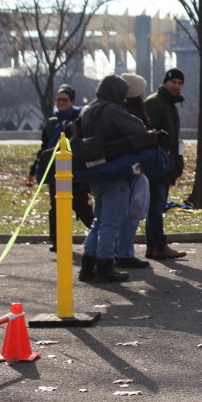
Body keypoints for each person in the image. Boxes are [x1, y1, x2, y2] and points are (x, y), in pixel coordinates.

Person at [78, 75, 149, 284]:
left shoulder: (88, 109)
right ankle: (105, 265)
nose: (124, 99)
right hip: (113, 171)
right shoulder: (112, 110)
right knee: (111, 222)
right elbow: (139, 128)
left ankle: (88, 265)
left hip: (94, 173)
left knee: (98, 221)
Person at [30, 84, 94, 253]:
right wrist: (34, 168)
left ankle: (102, 236)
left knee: (80, 205)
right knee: (56, 206)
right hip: (55, 170)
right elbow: (44, 148)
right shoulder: (52, 123)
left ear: (72, 101)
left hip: (75, 170)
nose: (61, 103)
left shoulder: (80, 119)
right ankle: (57, 240)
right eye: (58, 100)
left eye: (64, 100)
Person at [144, 68, 187, 260]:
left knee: (156, 204)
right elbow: (147, 131)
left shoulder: (169, 105)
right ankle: (159, 245)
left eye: (179, 83)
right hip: (157, 162)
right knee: (156, 205)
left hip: (166, 162)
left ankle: (153, 246)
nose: (176, 86)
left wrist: (177, 160)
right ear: (165, 83)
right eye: (173, 82)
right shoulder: (155, 103)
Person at [115, 74, 152, 269]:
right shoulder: (134, 117)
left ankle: (114, 251)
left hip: (120, 168)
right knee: (131, 211)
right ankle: (125, 252)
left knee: (115, 212)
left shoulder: (116, 111)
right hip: (132, 169)